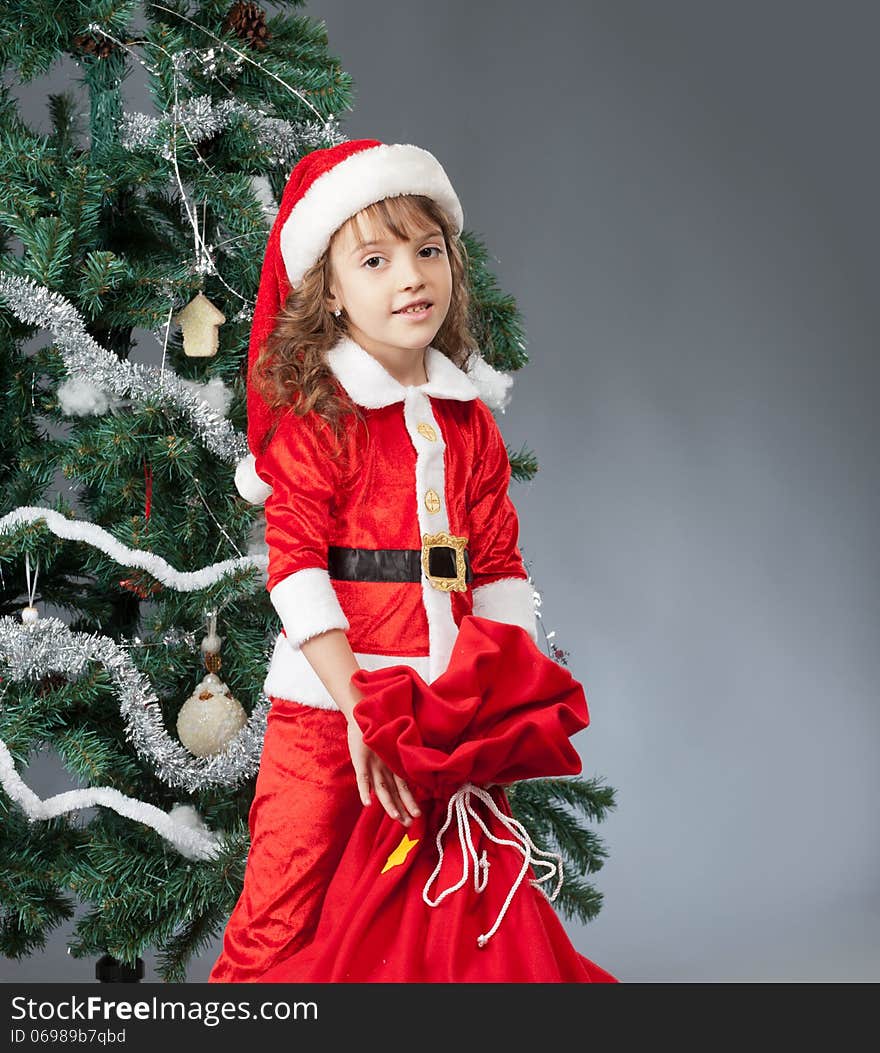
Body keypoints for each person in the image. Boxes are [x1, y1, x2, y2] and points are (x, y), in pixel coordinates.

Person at [209, 139, 566, 983]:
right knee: (282, 916)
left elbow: (500, 567)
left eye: (427, 250)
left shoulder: (468, 422)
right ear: (330, 291)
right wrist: (362, 705)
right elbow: (294, 568)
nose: (411, 277)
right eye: (375, 259)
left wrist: (496, 694)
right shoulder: (320, 417)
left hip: (448, 712)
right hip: (332, 715)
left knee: (448, 917)